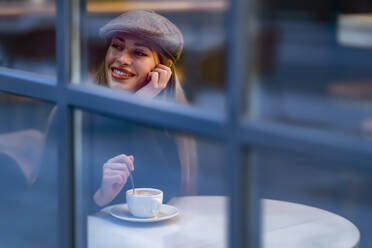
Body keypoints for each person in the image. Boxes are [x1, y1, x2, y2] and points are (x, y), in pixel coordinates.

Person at [92, 10, 197, 207]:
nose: (122, 59)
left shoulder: (166, 120)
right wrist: (101, 196)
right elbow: (51, 203)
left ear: (162, 70)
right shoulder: (80, 110)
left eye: (139, 52)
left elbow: (168, 189)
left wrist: (140, 103)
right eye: (116, 46)